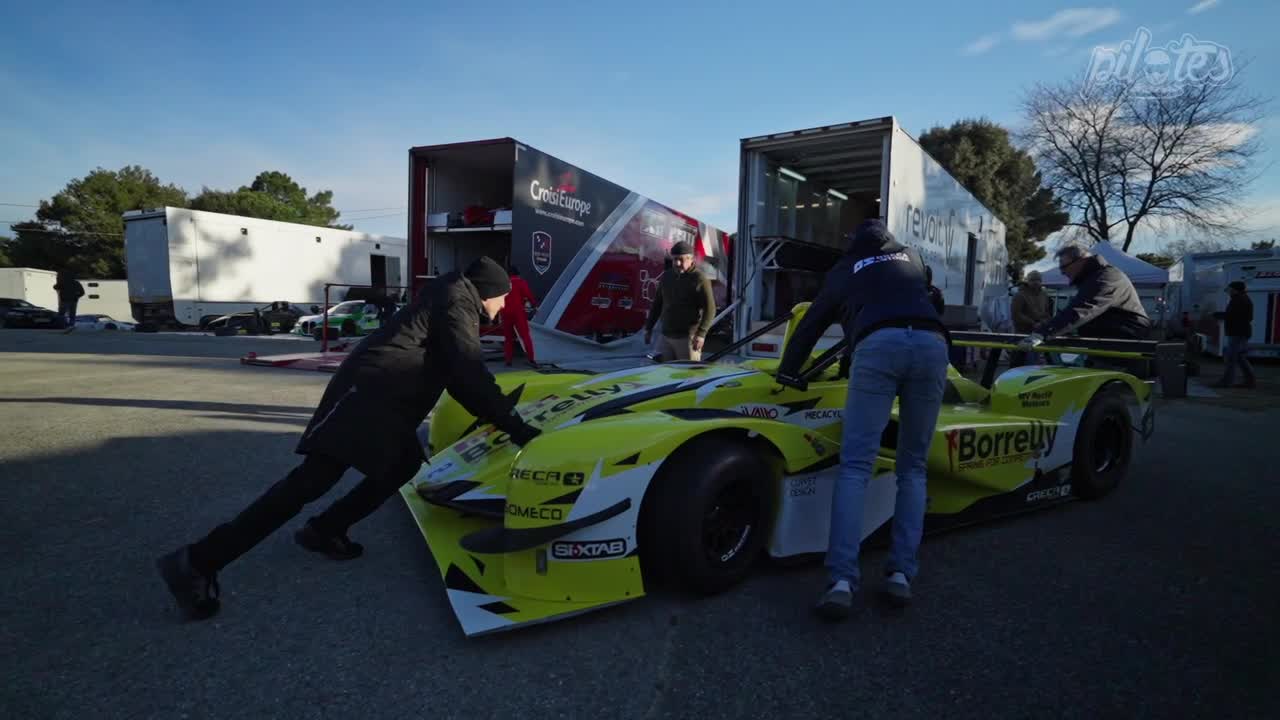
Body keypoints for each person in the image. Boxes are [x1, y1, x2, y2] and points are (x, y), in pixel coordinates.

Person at [155, 257, 541, 622]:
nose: (506, 305)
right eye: (504, 297)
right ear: (488, 291)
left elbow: (458, 376)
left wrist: (499, 414)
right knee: (311, 481)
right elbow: (469, 373)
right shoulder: (458, 303)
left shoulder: (454, 298)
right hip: (369, 394)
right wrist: (518, 428)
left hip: (385, 396)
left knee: (403, 464)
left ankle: (325, 529)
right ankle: (198, 561)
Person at [774, 219, 950, 619]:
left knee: (855, 467)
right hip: (932, 343)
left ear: (854, 244)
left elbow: (813, 322)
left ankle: (841, 581)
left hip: (879, 345)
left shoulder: (846, 268)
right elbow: (931, 300)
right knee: (913, 468)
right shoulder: (912, 257)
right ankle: (901, 574)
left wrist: (788, 372)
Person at [1020, 245, 1151, 348]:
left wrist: (1042, 333)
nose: (1062, 272)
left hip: (1126, 340)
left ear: (1080, 261)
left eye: (1064, 267)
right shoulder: (1095, 277)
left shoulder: (1105, 278)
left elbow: (1082, 308)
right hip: (1111, 339)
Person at [644, 241, 716, 362]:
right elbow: (657, 304)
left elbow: (710, 309)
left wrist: (701, 334)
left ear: (691, 259)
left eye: (681, 259)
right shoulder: (667, 276)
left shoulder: (700, 279)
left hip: (687, 338)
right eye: (675, 259)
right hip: (666, 336)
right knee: (664, 370)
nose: (677, 263)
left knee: (687, 372)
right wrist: (648, 328)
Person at [1211, 281, 1256, 389]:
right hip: (1240, 332)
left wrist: (1217, 314)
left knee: (1231, 358)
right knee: (1240, 358)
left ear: (1235, 290)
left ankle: (1227, 382)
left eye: (1230, 289)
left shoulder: (1239, 300)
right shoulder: (1240, 299)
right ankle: (1249, 381)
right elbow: (1237, 315)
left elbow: (1233, 316)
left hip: (1238, 333)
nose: (1229, 291)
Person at [1009, 270, 1054, 367]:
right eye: (1032, 280)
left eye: (1038, 280)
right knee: (1020, 361)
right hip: (1022, 333)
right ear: (1027, 281)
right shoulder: (1020, 295)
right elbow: (1016, 314)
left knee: (1034, 361)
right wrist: (1033, 323)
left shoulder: (1044, 295)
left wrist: (1045, 322)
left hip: (1038, 334)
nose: (1036, 282)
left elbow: (1047, 312)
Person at [502, 265, 538, 367]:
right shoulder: (521, 282)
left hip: (505, 312)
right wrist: (534, 306)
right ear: (517, 274)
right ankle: (531, 359)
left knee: (508, 338)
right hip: (518, 312)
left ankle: (508, 360)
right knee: (525, 336)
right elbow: (529, 295)